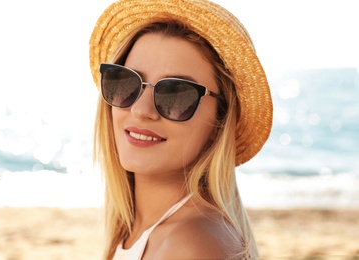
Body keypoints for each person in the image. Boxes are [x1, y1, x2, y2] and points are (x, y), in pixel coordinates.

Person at [89, 0, 273, 259]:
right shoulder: (138, 232)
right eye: (127, 82)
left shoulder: (190, 245)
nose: (141, 110)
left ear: (219, 122)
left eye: (176, 93)